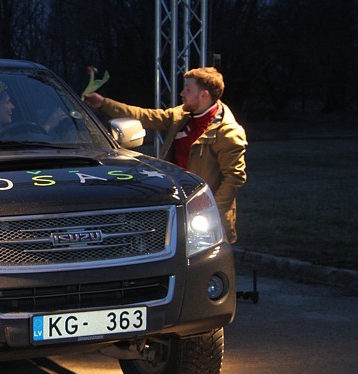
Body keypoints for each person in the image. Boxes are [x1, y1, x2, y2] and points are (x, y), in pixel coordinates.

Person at [84, 67, 247, 243]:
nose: (182, 93)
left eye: (188, 89)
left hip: (207, 218)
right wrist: (104, 104)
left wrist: (211, 210)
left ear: (204, 95)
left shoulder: (227, 131)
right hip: (177, 206)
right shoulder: (181, 115)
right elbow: (145, 116)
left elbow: (234, 178)